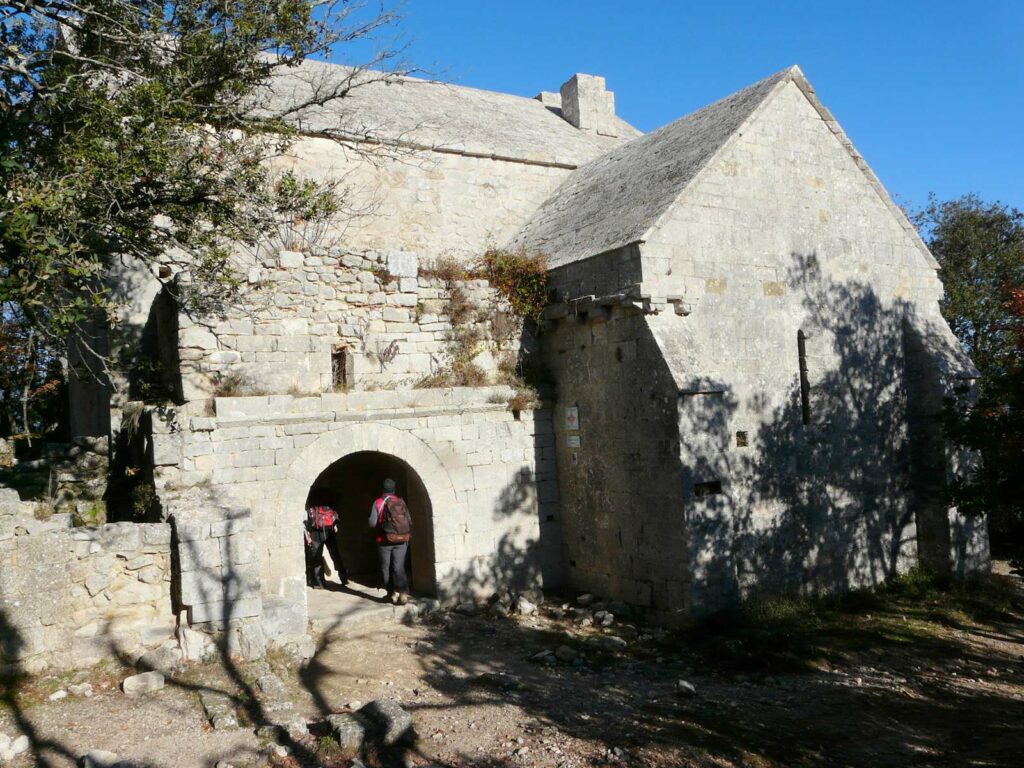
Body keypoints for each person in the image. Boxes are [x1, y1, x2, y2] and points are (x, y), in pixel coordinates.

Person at [369, 478, 412, 605]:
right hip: (402, 540)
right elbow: (409, 521)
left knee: (385, 568)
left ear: (382, 489)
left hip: (384, 541)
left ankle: (391, 594)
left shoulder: (378, 502)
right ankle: (403, 593)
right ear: (394, 489)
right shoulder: (400, 502)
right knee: (399, 567)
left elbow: (372, 523)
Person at [304, 490, 348, 590]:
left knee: (317, 558)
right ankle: (344, 578)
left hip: (316, 533)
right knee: (335, 555)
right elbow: (336, 518)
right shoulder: (329, 504)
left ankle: (319, 583)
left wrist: (308, 534)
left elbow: (308, 521)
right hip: (329, 532)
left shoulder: (312, 505)